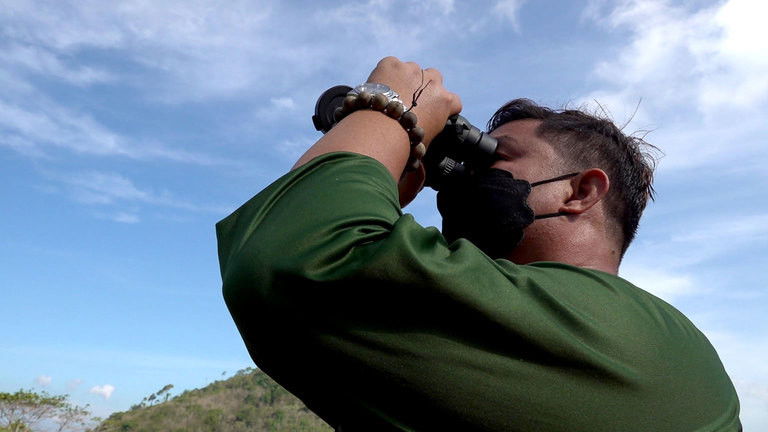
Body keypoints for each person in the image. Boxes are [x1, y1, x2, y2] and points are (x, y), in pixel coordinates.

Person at [216, 57, 741, 431]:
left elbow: (291, 256)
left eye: (494, 158)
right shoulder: (678, 345)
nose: (466, 180)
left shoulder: (593, 329)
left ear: (581, 190)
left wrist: (389, 110)